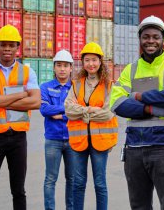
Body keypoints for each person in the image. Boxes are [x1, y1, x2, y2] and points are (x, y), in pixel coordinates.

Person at [109, 15, 164, 210]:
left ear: (163, 39)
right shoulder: (131, 69)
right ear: (140, 38)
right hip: (134, 147)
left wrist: (134, 95)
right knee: (139, 206)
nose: (150, 41)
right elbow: (117, 104)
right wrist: (151, 108)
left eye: (155, 36)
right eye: (146, 36)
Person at [0, 24, 41, 210]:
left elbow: (35, 102)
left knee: (19, 190)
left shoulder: (28, 72)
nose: (7, 49)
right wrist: (20, 95)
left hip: (18, 138)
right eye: (3, 45)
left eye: (11, 45)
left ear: (17, 48)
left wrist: (0, 99)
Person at [64, 42, 118, 210]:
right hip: (79, 141)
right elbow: (68, 110)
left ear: (100, 62)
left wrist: (81, 112)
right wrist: (91, 110)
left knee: (100, 184)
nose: (91, 64)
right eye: (87, 60)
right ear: (83, 62)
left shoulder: (109, 85)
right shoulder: (76, 84)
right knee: (78, 183)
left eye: (94, 60)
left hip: (100, 142)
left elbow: (108, 113)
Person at [40, 50, 75, 210]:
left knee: (72, 179)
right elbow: (44, 110)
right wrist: (68, 110)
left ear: (71, 68)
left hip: (73, 140)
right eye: (59, 65)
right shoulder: (45, 87)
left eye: (65, 66)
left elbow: (80, 111)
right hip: (52, 140)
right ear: (54, 68)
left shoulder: (77, 88)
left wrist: (60, 115)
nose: (62, 69)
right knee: (50, 179)